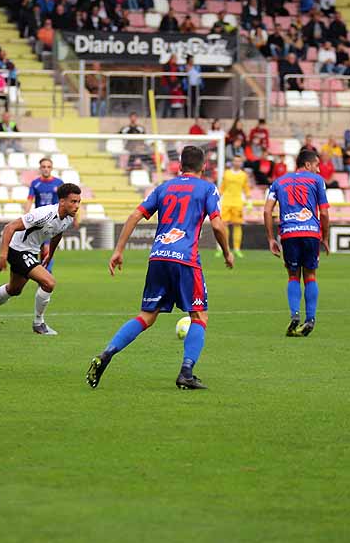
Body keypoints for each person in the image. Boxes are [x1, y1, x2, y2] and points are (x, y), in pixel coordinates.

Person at [86, 145, 233, 391]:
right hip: (185, 260)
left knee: (146, 316)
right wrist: (227, 252)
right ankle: (186, 372)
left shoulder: (163, 188)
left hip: (158, 257)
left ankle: (106, 353)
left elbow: (134, 215)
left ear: (179, 166)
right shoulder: (208, 188)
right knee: (199, 316)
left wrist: (118, 250)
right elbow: (217, 226)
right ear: (204, 166)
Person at [0, 182, 82, 336]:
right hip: (17, 249)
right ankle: (39, 323)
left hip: (29, 252)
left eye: (79, 202)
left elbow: (58, 233)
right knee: (49, 282)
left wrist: (49, 254)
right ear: (62, 201)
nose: (77, 205)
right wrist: (3, 256)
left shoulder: (68, 218)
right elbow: (9, 227)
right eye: (73, 201)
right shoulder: (44, 214)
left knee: (14, 289)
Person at [263, 148, 330, 337]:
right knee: (310, 275)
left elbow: (267, 211)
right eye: (316, 165)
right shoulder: (317, 181)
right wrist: (324, 237)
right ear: (308, 165)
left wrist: (270, 239)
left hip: (288, 234)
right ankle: (310, 319)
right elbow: (324, 212)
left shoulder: (278, 182)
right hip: (310, 232)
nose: (318, 169)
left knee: (293, 275)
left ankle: (295, 315)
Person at [24, 158, 68, 328]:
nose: (46, 169)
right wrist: (26, 214)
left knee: (47, 249)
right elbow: (29, 200)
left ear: (52, 168)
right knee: (33, 251)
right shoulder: (35, 183)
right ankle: (39, 276)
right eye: (43, 166)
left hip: (53, 223)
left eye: (48, 166)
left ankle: (44, 277)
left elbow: (66, 201)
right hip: (38, 222)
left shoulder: (59, 183)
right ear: (40, 168)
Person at [217, 155, 250, 258]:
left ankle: (237, 249)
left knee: (237, 225)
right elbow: (222, 187)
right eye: (235, 161)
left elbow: (246, 188)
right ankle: (223, 248)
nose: (237, 163)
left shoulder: (244, 175)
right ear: (232, 162)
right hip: (226, 202)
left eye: (239, 161)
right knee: (224, 225)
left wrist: (249, 201)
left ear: (241, 163)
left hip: (237, 202)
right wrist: (217, 198)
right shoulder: (226, 174)